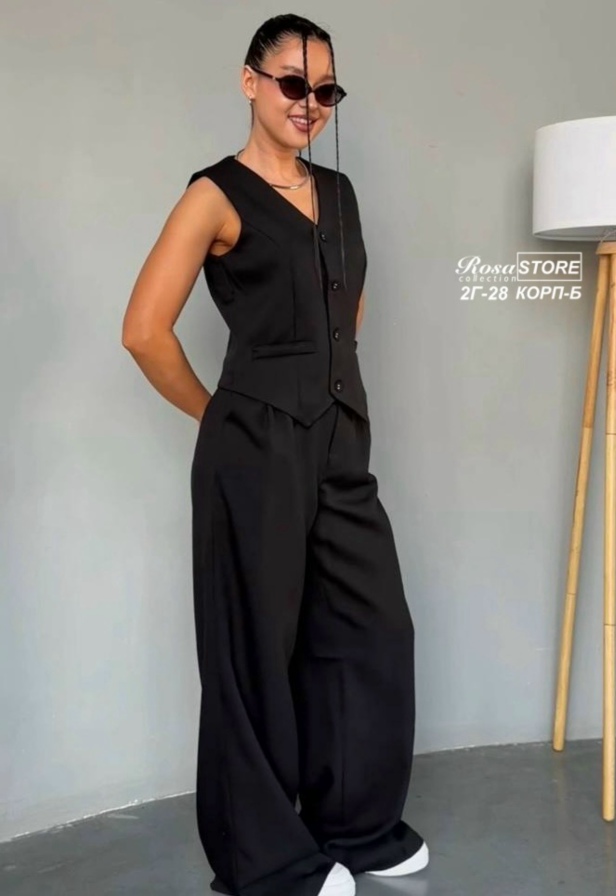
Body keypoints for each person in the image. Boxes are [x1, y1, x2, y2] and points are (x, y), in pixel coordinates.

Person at [122, 13, 429, 896]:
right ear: (250, 81)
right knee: (253, 650)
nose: (310, 103)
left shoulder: (339, 192)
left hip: (340, 442)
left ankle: (355, 827)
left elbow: (345, 307)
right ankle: (267, 864)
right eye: (294, 83)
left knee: (368, 631)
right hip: (254, 450)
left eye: (326, 89)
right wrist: (223, 416)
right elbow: (144, 332)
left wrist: (326, 382)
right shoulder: (214, 195)